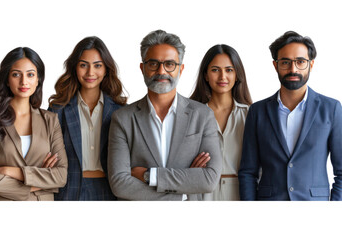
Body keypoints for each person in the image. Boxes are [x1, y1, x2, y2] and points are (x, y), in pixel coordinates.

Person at [107, 29, 222, 200]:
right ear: (142, 68)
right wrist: (181, 194)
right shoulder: (123, 118)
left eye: (169, 64)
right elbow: (119, 183)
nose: (161, 71)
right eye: (153, 64)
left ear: (180, 69)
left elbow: (209, 179)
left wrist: (149, 175)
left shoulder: (203, 115)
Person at [238, 31, 342, 200]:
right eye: (285, 62)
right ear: (275, 65)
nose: (293, 69)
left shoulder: (331, 108)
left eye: (300, 61)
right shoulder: (257, 111)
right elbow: (248, 172)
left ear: (311, 64)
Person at [0, 47, 68, 201]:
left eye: (30, 75)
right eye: (16, 74)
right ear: (7, 79)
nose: (24, 81)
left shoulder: (50, 120)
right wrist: (40, 181)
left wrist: (9, 171)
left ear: (38, 79)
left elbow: (61, 176)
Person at [48, 36, 127, 200]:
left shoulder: (121, 111)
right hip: (68, 190)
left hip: (109, 191)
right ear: (75, 68)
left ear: (106, 69)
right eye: (83, 65)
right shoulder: (58, 110)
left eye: (97, 65)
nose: (90, 72)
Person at [190, 44, 252, 200]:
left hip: (240, 193)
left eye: (229, 70)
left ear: (237, 74)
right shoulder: (191, 115)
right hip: (201, 193)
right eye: (215, 70)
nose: (222, 77)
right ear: (205, 75)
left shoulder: (250, 114)